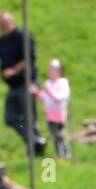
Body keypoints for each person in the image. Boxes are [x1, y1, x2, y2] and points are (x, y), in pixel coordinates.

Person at [0, 11, 45, 154]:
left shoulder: (22, 37)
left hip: (26, 82)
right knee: (10, 118)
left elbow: (29, 58)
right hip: (12, 85)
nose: (4, 27)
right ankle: (34, 141)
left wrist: (14, 70)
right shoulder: (2, 41)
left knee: (29, 117)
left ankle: (37, 149)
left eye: (6, 23)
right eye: (1, 24)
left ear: (12, 22)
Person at [32, 58, 69, 159]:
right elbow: (44, 97)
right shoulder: (48, 83)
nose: (51, 73)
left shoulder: (63, 82)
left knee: (59, 135)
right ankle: (60, 155)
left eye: (53, 70)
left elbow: (59, 98)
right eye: (50, 71)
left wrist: (48, 91)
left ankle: (65, 154)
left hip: (60, 115)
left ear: (59, 71)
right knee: (55, 135)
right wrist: (36, 92)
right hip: (50, 115)